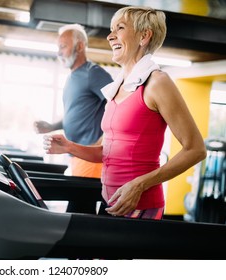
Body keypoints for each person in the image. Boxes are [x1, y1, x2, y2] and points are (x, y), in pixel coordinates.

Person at [43, 6, 207, 220]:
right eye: (112, 30)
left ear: (144, 36)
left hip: (140, 205)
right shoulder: (118, 86)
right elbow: (109, 152)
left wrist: (140, 184)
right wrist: (70, 146)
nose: (110, 36)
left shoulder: (157, 82)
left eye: (119, 28)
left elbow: (196, 149)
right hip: (110, 200)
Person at [34, 23, 113, 179]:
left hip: (90, 155)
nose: (59, 53)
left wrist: (103, 139)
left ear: (80, 46)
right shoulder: (71, 77)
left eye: (63, 47)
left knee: (79, 203)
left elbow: (119, 105)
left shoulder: (93, 73)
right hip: (75, 153)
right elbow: (74, 114)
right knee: (80, 202)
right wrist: (52, 126)